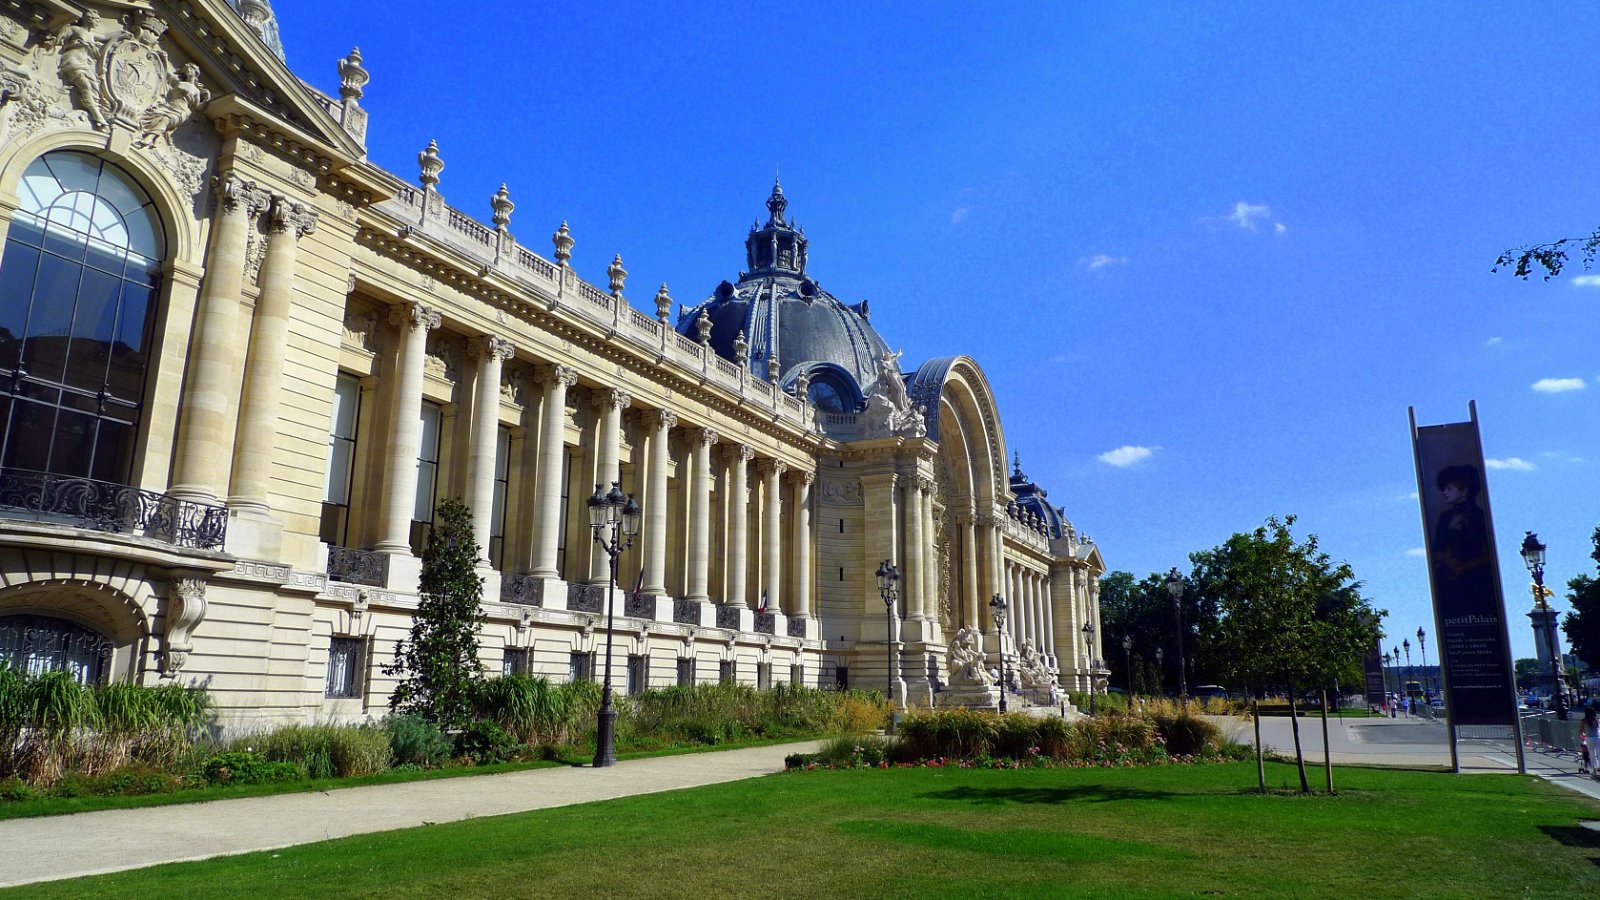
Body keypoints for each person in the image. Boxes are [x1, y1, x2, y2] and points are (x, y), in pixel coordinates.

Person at [1583, 706, 1600, 781]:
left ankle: (1594, 770)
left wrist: (1583, 735)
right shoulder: (1596, 720)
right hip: (1597, 738)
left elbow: (1581, 730)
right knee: (1599, 754)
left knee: (1592, 754)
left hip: (1589, 738)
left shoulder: (1584, 721)